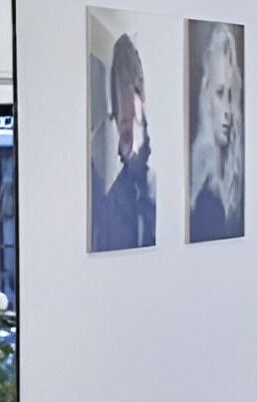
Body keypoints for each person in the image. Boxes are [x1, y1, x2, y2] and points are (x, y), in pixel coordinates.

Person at [91, 33, 156, 252]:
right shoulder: (116, 206)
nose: (137, 143)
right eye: (128, 129)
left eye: (140, 123)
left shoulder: (157, 185)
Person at [189, 23, 244, 242]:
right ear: (205, 97)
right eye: (220, 94)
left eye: (232, 96)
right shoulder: (205, 196)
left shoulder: (234, 186)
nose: (228, 112)